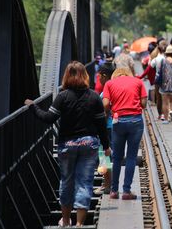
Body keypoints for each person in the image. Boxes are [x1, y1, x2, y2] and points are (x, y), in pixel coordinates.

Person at [24, 61, 110, 227]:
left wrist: (33, 107)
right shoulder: (93, 97)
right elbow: (101, 124)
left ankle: (65, 221)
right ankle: (79, 224)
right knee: (85, 183)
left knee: (67, 182)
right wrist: (106, 146)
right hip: (89, 145)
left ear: (67, 76)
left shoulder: (63, 96)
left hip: (67, 145)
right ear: (85, 76)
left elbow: (48, 118)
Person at [102, 67, 147, 200]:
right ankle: (126, 191)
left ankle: (114, 191)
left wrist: (110, 110)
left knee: (117, 157)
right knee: (131, 157)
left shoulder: (109, 84)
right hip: (135, 121)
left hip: (118, 121)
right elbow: (144, 103)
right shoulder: (138, 82)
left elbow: (105, 103)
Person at [94, 63, 115, 195]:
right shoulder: (112, 87)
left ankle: (106, 185)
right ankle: (107, 183)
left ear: (104, 75)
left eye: (99, 75)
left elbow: (105, 111)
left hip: (106, 127)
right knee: (106, 156)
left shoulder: (107, 89)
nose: (98, 78)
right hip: (110, 126)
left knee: (104, 156)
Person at [157, 45, 172, 123]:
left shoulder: (163, 61)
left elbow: (159, 72)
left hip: (164, 84)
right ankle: (171, 111)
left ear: (166, 53)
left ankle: (166, 119)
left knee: (164, 102)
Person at [151, 37, 168, 119]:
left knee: (158, 98)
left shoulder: (156, 57)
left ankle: (160, 114)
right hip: (167, 80)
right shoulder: (168, 58)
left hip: (157, 79)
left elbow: (150, 66)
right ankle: (166, 114)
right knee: (165, 98)